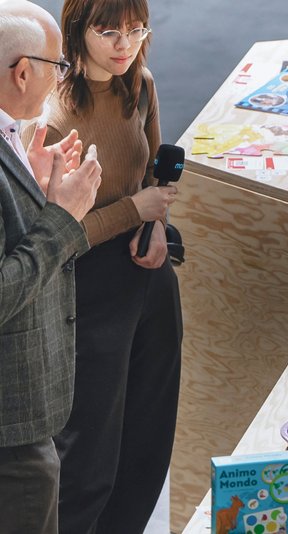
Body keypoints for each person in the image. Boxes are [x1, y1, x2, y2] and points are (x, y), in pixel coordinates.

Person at [25, 0, 182, 531]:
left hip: (149, 273)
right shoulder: (52, 117)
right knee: (88, 457)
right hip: (86, 287)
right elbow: (56, 238)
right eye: (108, 31)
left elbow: (155, 178)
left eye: (136, 31)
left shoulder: (141, 86)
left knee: (149, 438)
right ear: (78, 30)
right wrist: (134, 212)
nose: (124, 45)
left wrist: (156, 225)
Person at [0, 2, 103, 533]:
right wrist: (63, 217)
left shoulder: (11, 133)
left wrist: (36, 197)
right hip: (10, 435)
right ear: (22, 72)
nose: (62, 77)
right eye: (57, 65)